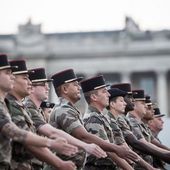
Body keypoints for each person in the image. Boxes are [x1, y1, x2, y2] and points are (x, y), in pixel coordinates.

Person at [49, 69, 137, 170]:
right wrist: (117, 149)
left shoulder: (70, 109)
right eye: (75, 85)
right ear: (65, 89)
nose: (79, 88)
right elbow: (83, 136)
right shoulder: (63, 110)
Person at [0, 54, 76, 170]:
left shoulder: (6, 104)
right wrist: (51, 144)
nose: (12, 77)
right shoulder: (11, 105)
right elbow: (13, 131)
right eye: (7, 73)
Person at [24, 67, 107, 170]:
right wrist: (86, 146)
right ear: (31, 87)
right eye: (43, 84)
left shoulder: (38, 110)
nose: (48, 88)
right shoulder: (31, 108)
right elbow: (54, 133)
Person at [81, 75, 136, 170]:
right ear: (94, 97)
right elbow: (110, 151)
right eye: (104, 91)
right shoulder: (93, 118)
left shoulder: (101, 117)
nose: (109, 94)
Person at [107, 88, 158, 170]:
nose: (125, 103)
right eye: (121, 101)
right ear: (112, 104)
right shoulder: (111, 121)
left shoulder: (119, 120)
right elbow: (131, 145)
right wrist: (149, 167)